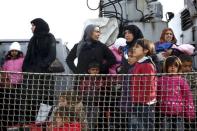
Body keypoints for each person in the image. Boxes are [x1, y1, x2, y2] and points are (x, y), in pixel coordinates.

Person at [21, 18, 56, 123]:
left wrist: (41, 67)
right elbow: (28, 57)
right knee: (32, 99)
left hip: (45, 75)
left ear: (38, 26)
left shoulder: (50, 37)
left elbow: (52, 55)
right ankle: (32, 123)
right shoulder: (33, 39)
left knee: (46, 99)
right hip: (32, 76)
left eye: (33, 25)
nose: (31, 28)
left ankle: (44, 123)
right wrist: (25, 69)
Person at [157, 56, 195, 131]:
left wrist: (190, 113)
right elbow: (157, 95)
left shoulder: (182, 81)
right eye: (170, 66)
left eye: (175, 66)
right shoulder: (160, 81)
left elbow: (188, 97)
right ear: (166, 67)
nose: (172, 68)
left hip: (179, 113)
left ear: (178, 68)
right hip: (165, 113)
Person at [129, 39, 157, 130]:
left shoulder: (147, 65)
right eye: (134, 46)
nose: (134, 48)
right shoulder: (139, 64)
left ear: (145, 51)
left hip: (146, 104)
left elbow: (150, 86)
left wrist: (143, 101)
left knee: (146, 127)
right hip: (138, 102)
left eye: (137, 47)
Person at [0, 42, 24, 129]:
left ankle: (17, 122)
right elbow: (4, 72)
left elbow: (24, 71)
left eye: (16, 51)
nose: (14, 52)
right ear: (10, 52)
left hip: (19, 85)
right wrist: (6, 80)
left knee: (18, 104)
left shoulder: (22, 60)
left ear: (19, 52)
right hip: (9, 86)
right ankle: (9, 123)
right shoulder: (7, 62)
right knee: (9, 104)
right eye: (12, 51)